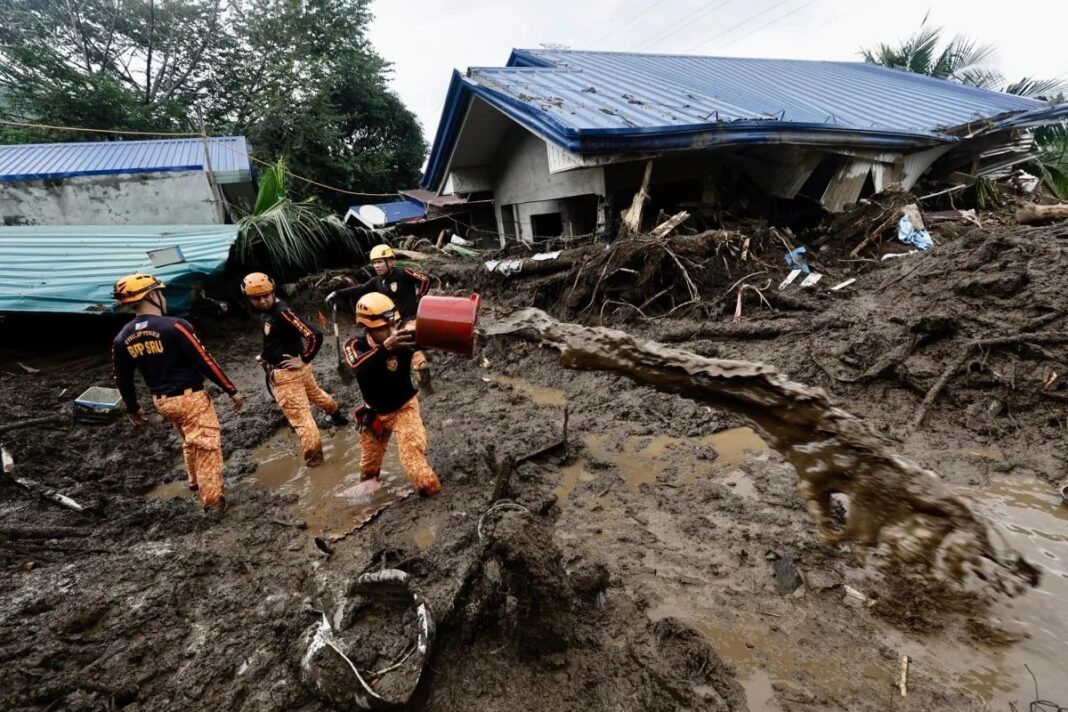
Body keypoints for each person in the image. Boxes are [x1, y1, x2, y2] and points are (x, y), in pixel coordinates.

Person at [110, 273, 245, 510]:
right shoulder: (175, 326)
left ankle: (194, 481)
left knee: (189, 440)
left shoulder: (123, 337)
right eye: (160, 293)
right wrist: (230, 390)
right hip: (190, 397)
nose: (163, 297)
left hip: (163, 403)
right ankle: (212, 501)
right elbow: (205, 360)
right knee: (207, 447)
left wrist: (132, 408)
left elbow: (123, 378)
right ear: (151, 295)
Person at [243, 272, 347, 467]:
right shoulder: (268, 314)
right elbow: (274, 339)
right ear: (250, 299)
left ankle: (316, 465)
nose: (263, 300)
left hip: (287, 375)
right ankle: (338, 417)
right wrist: (265, 356)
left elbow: (315, 334)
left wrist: (304, 358)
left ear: (273, 291)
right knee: (317, 395)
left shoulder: (282, 312)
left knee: (302, 422)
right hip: (297, 371)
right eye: (257, 298)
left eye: (266, 295)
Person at [343, 293, 441, 497]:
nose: (391, 331)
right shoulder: (354, 345)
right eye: (382, 328)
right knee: (368, 471)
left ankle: (433, 497)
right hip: (373, 415)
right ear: (367, 328)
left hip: (404, 409)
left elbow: (439, 337)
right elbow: (356, 367)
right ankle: (374, 498)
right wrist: (384, 349)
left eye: (393, 324)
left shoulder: (404, 338)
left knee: (415, 464)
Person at [326, 244, 433, 390]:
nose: (376, 266)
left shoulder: (402, 273)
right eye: (374, 263)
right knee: (387, 351)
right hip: (394, 323)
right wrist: (338, 293)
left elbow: (425, 280)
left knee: (411, 349)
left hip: (411, 319)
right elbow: (361, 288)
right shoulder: (377, 281)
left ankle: (426, 387)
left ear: (390, 261)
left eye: (380, 262)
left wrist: (420, 298)